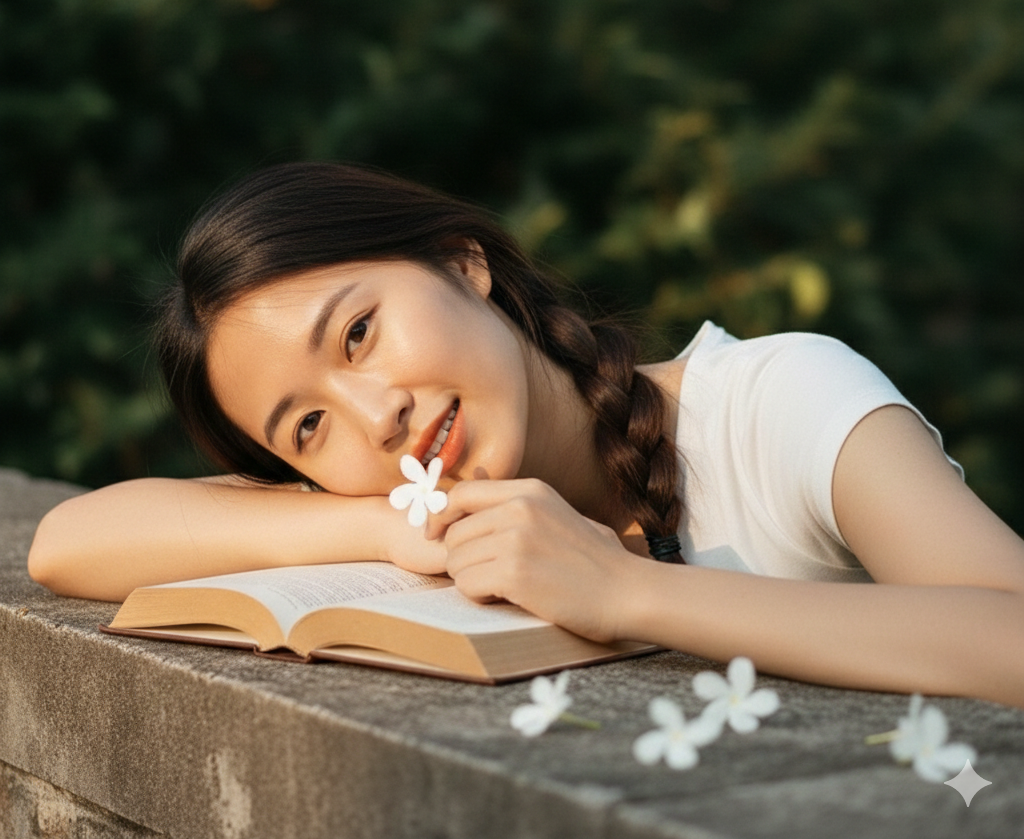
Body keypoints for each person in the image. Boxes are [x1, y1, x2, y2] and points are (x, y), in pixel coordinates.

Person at [28, 163, 1024, 708]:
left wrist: (627, 592)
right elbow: (67, 543)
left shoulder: (779, 399)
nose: (377, 417)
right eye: (309, 425)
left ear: (463, 264)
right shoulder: (411, 508)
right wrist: (380, 527)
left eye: (360, 332)